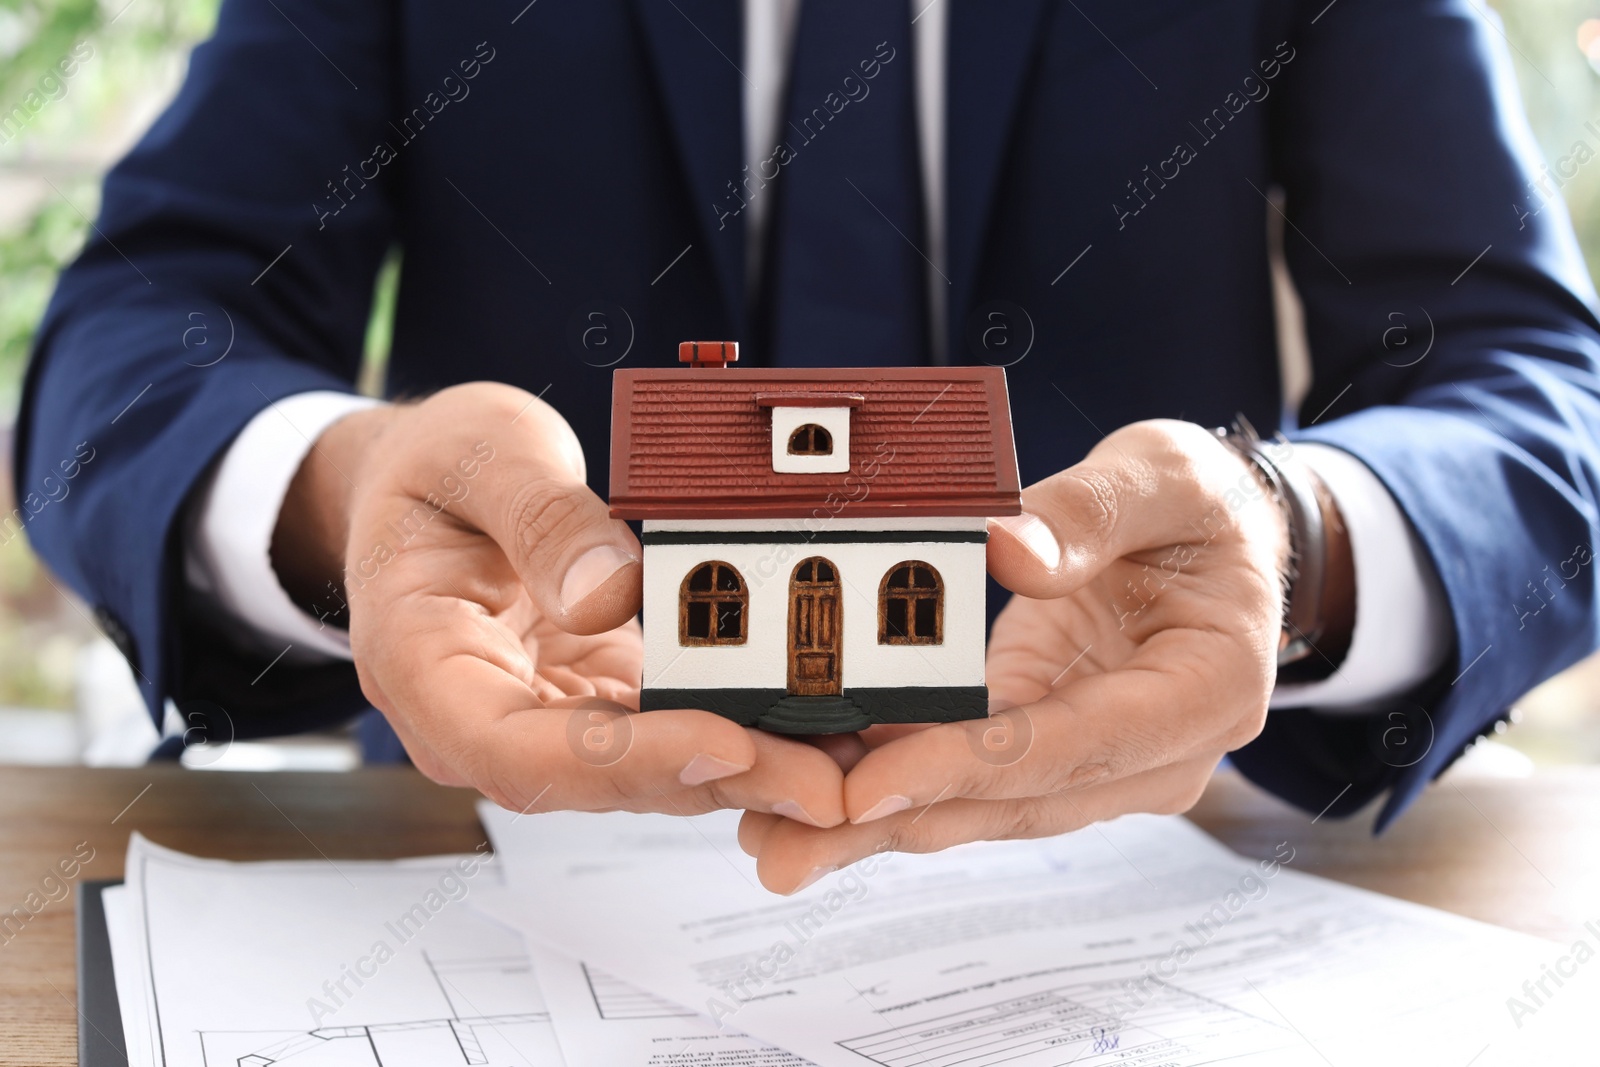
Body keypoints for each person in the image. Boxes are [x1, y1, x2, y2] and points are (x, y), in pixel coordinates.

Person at [19, 0, 1600, 893]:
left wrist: (1293, 541)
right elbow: (141, 323)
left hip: (1161, 874)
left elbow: (1545, 394)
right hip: (497, 861)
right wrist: (339, 497)